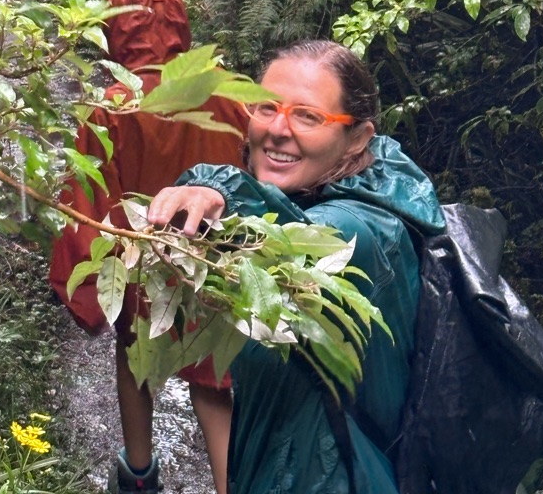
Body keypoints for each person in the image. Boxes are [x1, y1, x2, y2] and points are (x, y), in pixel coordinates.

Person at [148, 39, 446, 494]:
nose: (277, 129)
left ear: (358, 138)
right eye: (266, 107)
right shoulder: (332, 187)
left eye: (308, 116)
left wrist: (217, 188)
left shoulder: (362, 231)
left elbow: (290, 236)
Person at [49, 0, 246, 494]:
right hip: (211, 264)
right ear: (179, 19)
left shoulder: (111, 108)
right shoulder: (224, 93)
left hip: (140, 265)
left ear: (116, 25)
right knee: (213, 381)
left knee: (135, 357)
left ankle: (138, 475)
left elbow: (88, 204)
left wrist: (88, 287)